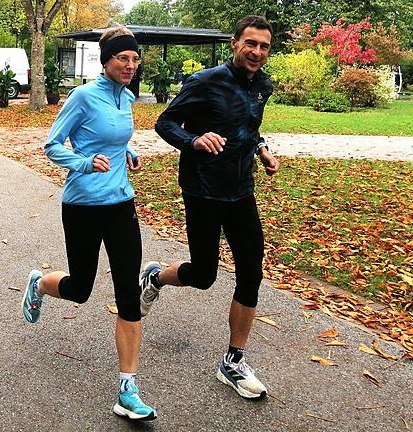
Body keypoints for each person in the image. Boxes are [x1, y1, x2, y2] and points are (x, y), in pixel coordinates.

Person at [139, 15, 280, 400]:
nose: (256, 52)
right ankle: (155, 278)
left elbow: (248, 130)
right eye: (250, 43)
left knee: (251, 272)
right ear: (235, 43)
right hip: (203, 190)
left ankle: (233, 361)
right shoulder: (204, 81)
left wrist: (262, 150)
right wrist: (194, 140)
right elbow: (165, 123)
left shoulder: (262, 86)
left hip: (241, 190)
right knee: (203, 275)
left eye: (264, 46)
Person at [21, 27, 157, 421]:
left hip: (121, 204)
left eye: (134, 59)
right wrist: (83, 162)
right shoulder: (83, 97)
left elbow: (113, 138)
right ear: (106, 61)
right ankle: (40, 283)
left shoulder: (127, 96)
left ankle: (128, 389)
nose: (130, 65)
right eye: (122, 59)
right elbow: (52, 144)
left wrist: (126, 151)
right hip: (82, 205)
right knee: (80, 288)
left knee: (128, 296)